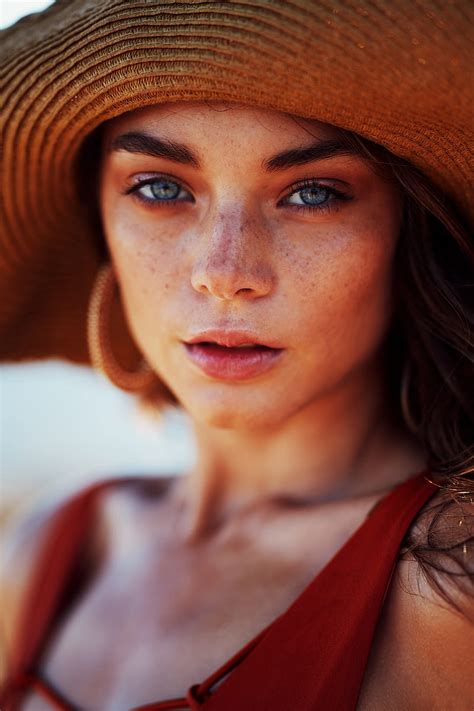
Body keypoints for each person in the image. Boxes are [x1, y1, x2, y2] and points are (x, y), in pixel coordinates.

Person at [1, 1, 472, 709]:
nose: (224, 271)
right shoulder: (49, 548)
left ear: (407, 230)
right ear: (99, 221)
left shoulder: (449, 591)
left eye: (313, 193)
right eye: (160, 187)